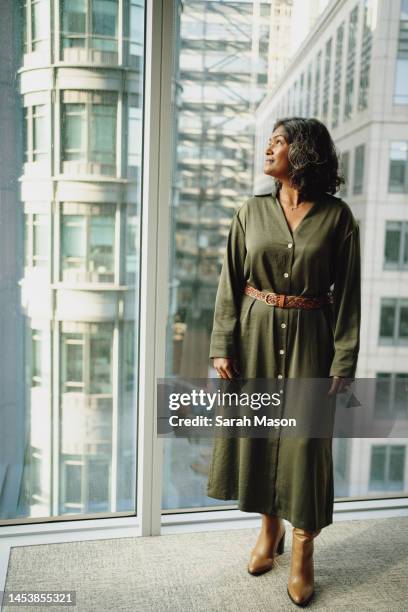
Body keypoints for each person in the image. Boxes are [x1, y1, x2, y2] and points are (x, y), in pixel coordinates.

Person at [206, 117, 361, 607]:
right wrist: (221, 343)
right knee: (256, 438)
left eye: (279, 141)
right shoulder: (249, 212)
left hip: (312, 340)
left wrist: (344, 358)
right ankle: (267, 532)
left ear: (304, 153)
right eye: (269, 140)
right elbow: (229, 280)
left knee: (305, 446)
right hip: (253, 334)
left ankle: (302, 553)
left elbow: (350, 294)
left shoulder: (338, 218)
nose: (268, 148)